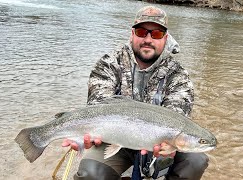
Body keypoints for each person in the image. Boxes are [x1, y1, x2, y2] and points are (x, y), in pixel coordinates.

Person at [62, 6, 209, 180]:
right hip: (113, 139)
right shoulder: (109, 63)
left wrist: (168, 149)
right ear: (132, 34)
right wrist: (80, 133)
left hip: (157, 142)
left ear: (166, 38)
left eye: (156, 34)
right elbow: (98, 107)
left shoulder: (178, 75)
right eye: (141, 32)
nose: (148, 39)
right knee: (91, 173)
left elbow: (177, 117)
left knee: (196, 160)